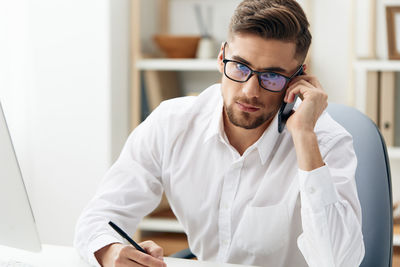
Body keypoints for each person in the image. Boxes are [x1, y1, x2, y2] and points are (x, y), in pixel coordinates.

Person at [74, 0, 365, 266]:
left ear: (298, 77)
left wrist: (303, 137)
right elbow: (99, 216)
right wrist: (110, 252)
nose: (250, 91)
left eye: (272, 76)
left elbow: (339, 261)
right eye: (240, 67)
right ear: (221, 56)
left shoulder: (324, 141)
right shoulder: (171, 123)